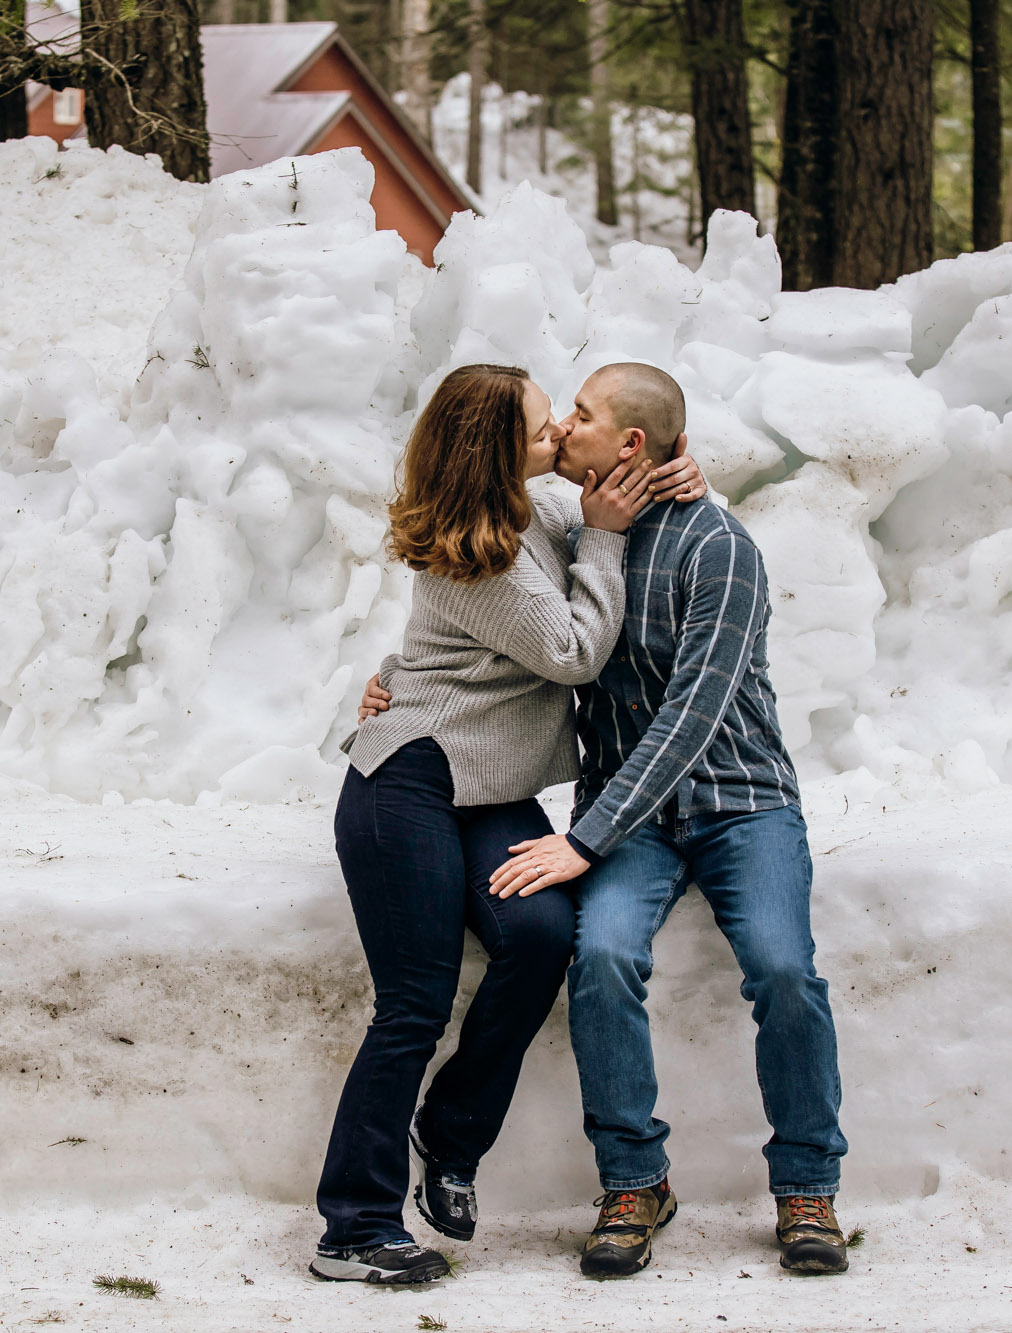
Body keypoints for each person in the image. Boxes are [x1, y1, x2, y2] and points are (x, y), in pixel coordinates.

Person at [367, 363, 851, 1279]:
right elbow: (482, 597)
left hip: (740, 801)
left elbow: (693, 717)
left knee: (785, 969)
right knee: (600, 958)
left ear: (630, 444)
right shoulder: (573, 521)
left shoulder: (719, 548)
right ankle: (634, 1180)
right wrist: (402, 674)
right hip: (631, 819)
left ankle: (807, 1186)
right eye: (556, 418)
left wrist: (584, 839)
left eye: (579, 417)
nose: (562, 430)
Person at [311, 362, 707, 1285]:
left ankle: (449, 1139)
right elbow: (570, 651)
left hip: (489, 789)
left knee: (538, 934)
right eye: (541, 427)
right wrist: (605, 542)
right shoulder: (469, 552)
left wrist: (686, 473)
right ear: (497, 453)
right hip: (408, 780)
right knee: (414, 998)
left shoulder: (538, 511)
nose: (560, 435)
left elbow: (619, 503)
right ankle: (354, 1226)